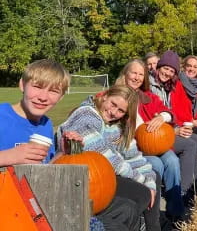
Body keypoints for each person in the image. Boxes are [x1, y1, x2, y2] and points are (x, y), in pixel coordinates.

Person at [0, 59, 138, 231]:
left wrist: (63, 152)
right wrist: (8, 156)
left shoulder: (45, 125)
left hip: (40, 202)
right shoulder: (2, 116)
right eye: (37, 86)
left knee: (128, 208)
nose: (43, 97)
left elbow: (45, 169)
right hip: (12, 211)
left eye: (53, 91)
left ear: (62, 96)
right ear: (22, 84)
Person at [57, 85, 162, 231]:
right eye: (113, 104)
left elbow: (134, 158)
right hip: (83, 179)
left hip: (104, 174)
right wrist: (141, 180)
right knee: (141, 194)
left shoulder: (116, 126)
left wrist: (149, 180)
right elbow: (104, 156)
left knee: (154, 176)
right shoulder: (86, 114)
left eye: (121, 111)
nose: (113, 112)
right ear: (105, 96)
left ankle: (151, 227)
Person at [115, 59, 185, 220]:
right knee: (156, 164)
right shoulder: (114, 95)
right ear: (125, 74)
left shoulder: (147, 97)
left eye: (141, 74)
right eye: (134, 73)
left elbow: (168, 112)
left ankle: (175, 211)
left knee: (173, 160)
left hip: (154, 143)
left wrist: (162, 116)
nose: (137, 77)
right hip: (134, 148)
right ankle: (152, 214)